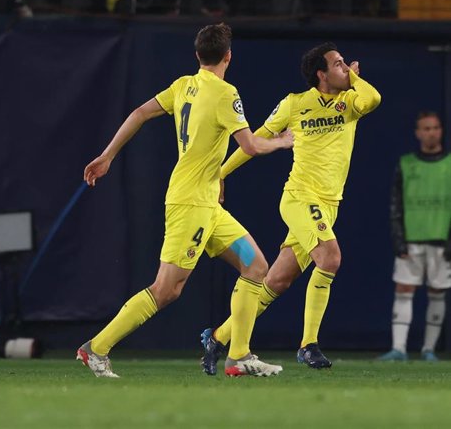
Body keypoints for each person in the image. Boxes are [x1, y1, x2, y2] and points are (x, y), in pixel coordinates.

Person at [76, 23, 294, 378]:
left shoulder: (183, 86)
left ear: (197, 56)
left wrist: (108, 155)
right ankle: (95, 348)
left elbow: (139, 113)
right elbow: (251, 146)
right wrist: (283, 141)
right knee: (166, 289)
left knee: (255, 267)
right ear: (228, 56)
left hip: (208, 207)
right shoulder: (226, 94)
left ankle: (238, 355)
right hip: (190, 206)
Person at [201, 42, 381, 372]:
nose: (345, 68)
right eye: (338, 64)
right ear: (321, 74)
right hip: (300, 198)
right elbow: (253, 142)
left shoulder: (350, 102)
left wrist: (353, 79)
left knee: (276, 282)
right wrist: (219, 174)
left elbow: (374, 98)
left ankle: (218, 337)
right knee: (330, 257)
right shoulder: (295, 104)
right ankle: (308, 345)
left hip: (329, 205)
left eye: (345, 64)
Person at [379, 111, 451, 361]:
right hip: (412, 239)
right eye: (426, 128)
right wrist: (399, 238)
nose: (431, 132)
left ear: (440, 130)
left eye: (435, 128)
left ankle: (428, 349)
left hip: (441, 240)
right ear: (418, 133)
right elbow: (395, 204)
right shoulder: (407, 163)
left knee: (437, 292)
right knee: (404, 288)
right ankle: (398, 349)